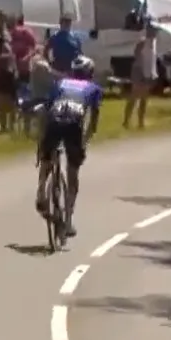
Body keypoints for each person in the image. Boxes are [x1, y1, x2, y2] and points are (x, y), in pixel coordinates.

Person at [35, 55, 102, 238]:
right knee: (73, 170)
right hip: (74, 124)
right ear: (90, 73)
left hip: (54, 120)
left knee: (46, 157)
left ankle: (41, 190)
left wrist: (41, 137)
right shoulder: (93, 88)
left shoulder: (61, 83)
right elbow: (93, 121)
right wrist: (85, 142)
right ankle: (69, 220)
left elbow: (46, 108)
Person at [124, 19, 157, 129]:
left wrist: (152, 73)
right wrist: (141, 73)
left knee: (144, 99)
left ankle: (140, 122)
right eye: (151, 30)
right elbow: (137, 57)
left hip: (148, 73)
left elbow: (152, 60)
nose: (153, 32)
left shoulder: (154, 43)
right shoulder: (143, 42)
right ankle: (126, 121)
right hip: (139, 72)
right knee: (134, 96)